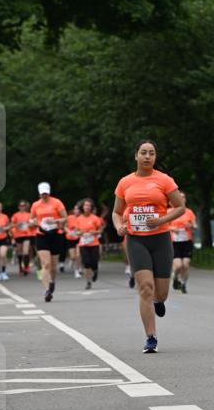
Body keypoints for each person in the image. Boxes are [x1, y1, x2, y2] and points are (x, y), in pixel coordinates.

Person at [112, 140, 185, 353]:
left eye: (151, 153)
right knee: (145, 288)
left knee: (160, 293)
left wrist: (161, 220)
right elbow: (117, 212)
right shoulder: (125, 182)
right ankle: (151, 337)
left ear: (155, 157)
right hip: (136, 240)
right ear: (136, 156)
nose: (147, 157)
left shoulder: (165, 180)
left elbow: (180, 208)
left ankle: (159, 301)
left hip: (160, 239)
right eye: (143, 153)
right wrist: (118, 226)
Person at [29, 182, 68, 302]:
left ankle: (52, 281)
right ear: (39, 194)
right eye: (42, 194)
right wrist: (36, 223)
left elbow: (65, 218)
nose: (44, 196)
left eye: (46, 193)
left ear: (49, 192)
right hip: (42, 235)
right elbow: (31, 220)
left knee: (53, 266)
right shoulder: (36, 205)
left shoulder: (57, 202)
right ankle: (47, 290)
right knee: (45, 264)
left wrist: (55, 220)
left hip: (55, 235)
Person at [74, 198, 105, 289]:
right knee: (86, 263)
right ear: (82, 207)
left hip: (94, 243)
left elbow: (100, 229)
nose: (87, 207)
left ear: (91, 207)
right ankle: (88, 282)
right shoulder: (78, 219)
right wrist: (79, 233)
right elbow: (76, 231)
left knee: (94, 262)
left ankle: (95, 271)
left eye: (89, 206)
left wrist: (95, 232)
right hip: (83, 244)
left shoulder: (95, 218)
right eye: (85, 205)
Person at [170, 194, 198, 293]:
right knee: (178, 266)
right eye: (179, 197)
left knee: (186, 265)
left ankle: (183, 284)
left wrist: (191, 225)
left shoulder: (189, 212)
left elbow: (195, 226)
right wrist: (173, 229)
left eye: (183, 197)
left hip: (186, 241)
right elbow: (163, 226)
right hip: (174, 242)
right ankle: (175, 277)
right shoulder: (169, 212)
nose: (182, 199)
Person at [10, 200, 33, 275]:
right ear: (18, 207)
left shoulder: (29, 215)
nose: (22, 207)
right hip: (18, 235)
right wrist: (17, 224)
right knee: (20, 253)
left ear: (25, 207)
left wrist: (29, 224)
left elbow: (33, 224)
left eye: (24, 206)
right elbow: (11, 225)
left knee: (26, 252)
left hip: (27, 235)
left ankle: (26, 267)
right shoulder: (15, 215)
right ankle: (20, 266)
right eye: (21, 206)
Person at [64, 203, 82, 276]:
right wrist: (69, 232)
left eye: (77, 209)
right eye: (75, 209)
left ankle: (77, 270)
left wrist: (79, 231)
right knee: (73, 256)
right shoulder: (69, 217)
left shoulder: (82, 218)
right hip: (70, 238)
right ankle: (72, 260)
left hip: (79, 238)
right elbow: (64, 227)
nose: (76, 210)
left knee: (78, 255)